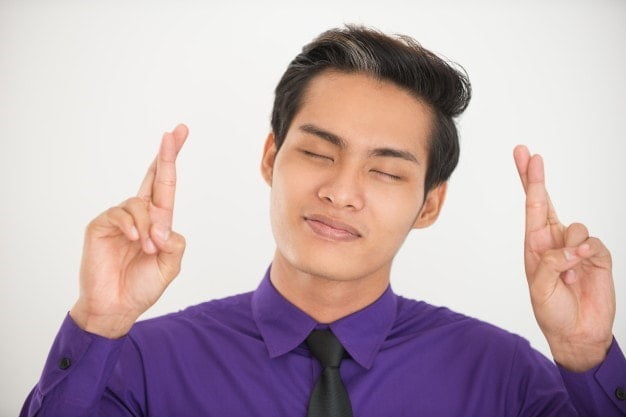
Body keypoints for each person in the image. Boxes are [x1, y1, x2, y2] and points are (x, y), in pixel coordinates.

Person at [20, 25, 626, 417]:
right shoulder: (141, 364)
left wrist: (585, 354)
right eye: (316, 152)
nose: (340, 191)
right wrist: (98, 320)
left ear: (430, 204)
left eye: (386, 171)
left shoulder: (508, 379)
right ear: (269, 158)